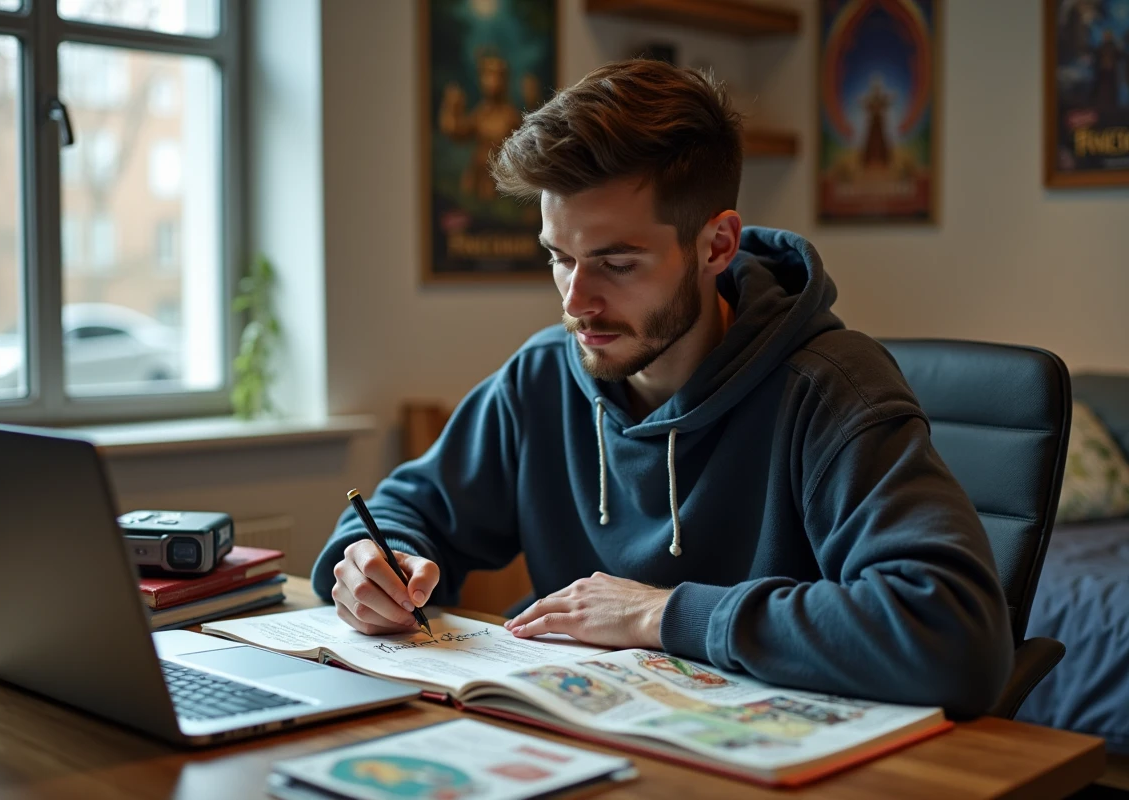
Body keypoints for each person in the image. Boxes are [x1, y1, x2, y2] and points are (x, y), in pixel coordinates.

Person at [312, 59, 1013, 718]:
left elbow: (953, 633)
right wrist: (375, 567)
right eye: (560, 258)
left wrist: (658, 613)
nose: (576, 302)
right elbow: (401, 513)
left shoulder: (832, 390)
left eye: (616, 263)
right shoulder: (543, 375)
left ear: (716, 246)